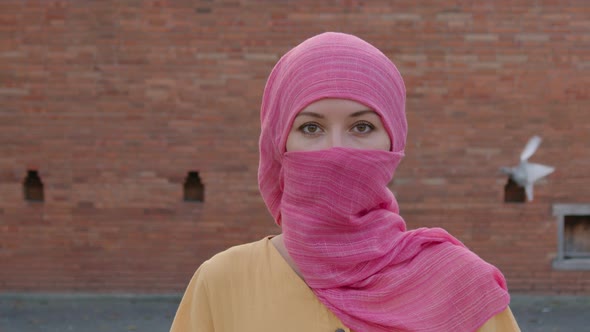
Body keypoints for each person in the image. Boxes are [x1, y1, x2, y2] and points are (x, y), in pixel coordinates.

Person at [170, 32, 521, 332]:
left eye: (362, 127)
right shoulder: (222, 283)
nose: (336, 150)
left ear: (393, 141)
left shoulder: (462, 284)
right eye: (311, 127)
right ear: (279, 144)